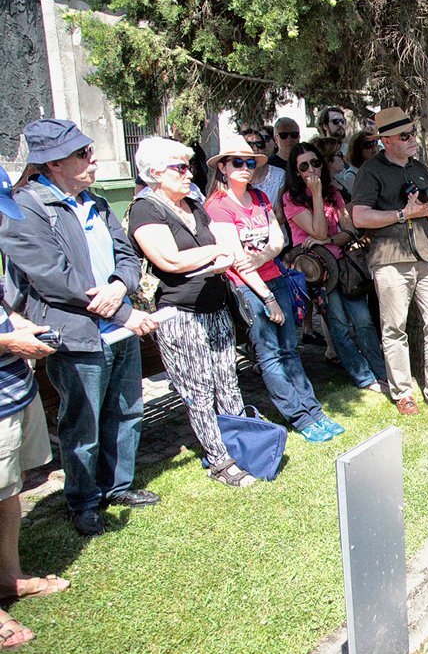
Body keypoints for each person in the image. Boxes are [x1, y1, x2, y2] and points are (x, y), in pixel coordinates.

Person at [0, 119, 160, 537]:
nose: (93, 159)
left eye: (90, 150)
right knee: (82, 424)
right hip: (75, 334)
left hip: (118, 328)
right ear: (53, 163)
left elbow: (127, 255)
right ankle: (84, 501)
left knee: (126, 411)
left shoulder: (98, 201)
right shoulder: (25, 208)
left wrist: (120, 285)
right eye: (82, 153)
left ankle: (117, 487)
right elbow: (52, 276)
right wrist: (119, 311)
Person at [127, 137, 258, 487]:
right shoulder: (146, 209)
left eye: (190, 167)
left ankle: (242, 447)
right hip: (180, 313)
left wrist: (219, 253)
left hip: (216, 305)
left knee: (227, 382)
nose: (190, 174)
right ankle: (220, 461)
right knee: (199, 390)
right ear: (156, 173)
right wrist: (215, 253)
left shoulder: (193, 204)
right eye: (181, 168)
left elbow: (221, 246)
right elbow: (170, 260)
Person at [205, 138, 343, 442]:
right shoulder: (217, 206)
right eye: (237, 162)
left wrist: (263, 256)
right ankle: (299, 416)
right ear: (223, 168)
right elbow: (238, 261)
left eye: (250, 162)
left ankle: (313, 411)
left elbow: (278, 238)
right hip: (248, 288)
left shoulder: (258, 197)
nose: (245, 168)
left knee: (290, 347)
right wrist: (267, 298)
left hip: (275, 276)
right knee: (270, 354)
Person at [351, 105, 428, 416]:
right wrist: (403, 214)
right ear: (387, 141)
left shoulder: (420, 169)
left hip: (427, 256)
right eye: (404, 136)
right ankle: (403, 392)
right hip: (390, 259)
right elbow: (359, 216)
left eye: (413, 133)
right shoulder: (370, 171)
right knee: (394, 329)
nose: (413, 139)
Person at [0, 165, 69, 649]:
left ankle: (10, 576)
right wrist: (10, 342)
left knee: (9, 492)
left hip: (13, 390)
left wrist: (16, 323)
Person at [283, 141, 388, 393]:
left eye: (315, 163)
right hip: (318, 272)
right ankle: (364, 377)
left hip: (343, 265)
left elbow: (349, 230)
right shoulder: (291, 198)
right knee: (338, 325)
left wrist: (329, 239)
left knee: (363, 320)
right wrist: (316, 195)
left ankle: (382, 372)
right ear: (296, 171)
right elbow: (317, 230)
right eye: (304, 166)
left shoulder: (333, 192)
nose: (311, 169)